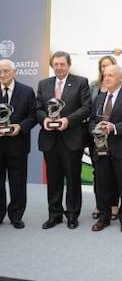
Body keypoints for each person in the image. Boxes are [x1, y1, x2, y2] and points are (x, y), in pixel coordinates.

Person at [36, 51, 91, 230]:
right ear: (53, 65)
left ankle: (72, 214)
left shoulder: (81, 82)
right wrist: (44, 119)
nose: (59, 67)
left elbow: (86, 108)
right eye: (56, 64)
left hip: (71, 138)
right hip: (49, 139)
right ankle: (55, 214)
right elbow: (37, 108)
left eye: (62, 64)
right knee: (53, 179)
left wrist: (67, 120)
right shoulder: (44, 84)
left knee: (73, 178)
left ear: (69, 64)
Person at [89, 64, 122, 233]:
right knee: (103, 185)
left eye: (111, 75)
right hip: (101, 149)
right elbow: (91, 120)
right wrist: (95, 128)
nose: (107, 78)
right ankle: (104, 217)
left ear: (120, 78)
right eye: (105, 75)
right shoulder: (99, 98)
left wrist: (115, 127)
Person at [0, 59, 37, 229]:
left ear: (14, 72)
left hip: (18, 144)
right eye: (0, 71)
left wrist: (20, 127)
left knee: (18, 182)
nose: (2, 74)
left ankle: (16, 216)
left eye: (6, 71)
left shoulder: (27, 91)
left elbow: (33, 116)